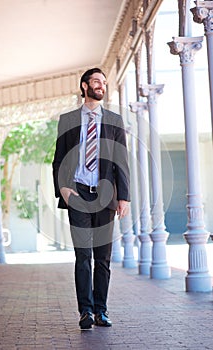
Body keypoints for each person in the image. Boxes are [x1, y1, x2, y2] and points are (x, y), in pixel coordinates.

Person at [52, 67, 130, 330]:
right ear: (84, 86)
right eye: (97, 81)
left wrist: (125, 197)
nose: (101, 86)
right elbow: (59, 159)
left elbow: (122, 161)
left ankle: (101, 311)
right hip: (78, 194)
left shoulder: (115, 121)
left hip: (106, 195)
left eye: (104, 83)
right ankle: (85, 311)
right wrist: (63, 188)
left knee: (103, 258)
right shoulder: (68, 120)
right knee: (83, 255)